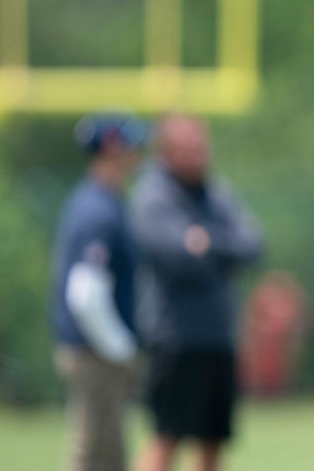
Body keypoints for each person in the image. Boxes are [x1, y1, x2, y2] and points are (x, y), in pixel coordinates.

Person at [130, 114, 263, 471]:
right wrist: (216, 248)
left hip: (217, 337)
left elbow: (251, 244)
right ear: (167, 152)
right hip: (174, 339)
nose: (200, 155)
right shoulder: (152, 195)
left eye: (202, 147)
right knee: (166, 436)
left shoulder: (215, 192)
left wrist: (205, 241)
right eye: (190, 148)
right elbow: (178, 256)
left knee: (212, 440)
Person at [50, 113, 148, 471]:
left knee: (109, 454)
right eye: (132, 145)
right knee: (94, 454)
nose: (139, 153)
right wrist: (120, 347)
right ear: (110, 148)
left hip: (96, 349)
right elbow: (86, 292)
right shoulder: (97, 209)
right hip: (96, 353)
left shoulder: (102, 202)